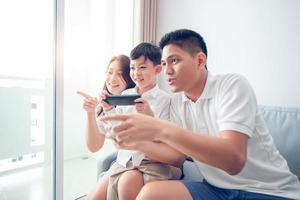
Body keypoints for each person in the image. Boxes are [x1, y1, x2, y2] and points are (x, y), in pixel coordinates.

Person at [102, 29, 300, 200]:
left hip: (269, 191)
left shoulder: (232, 85)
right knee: (150, 194)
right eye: (164, 63)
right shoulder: (177, 102)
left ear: (200, 60)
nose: (167, 71)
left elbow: (233, 161)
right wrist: (134, 143)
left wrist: (160, 128)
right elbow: (177, 158)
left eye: (175, 60)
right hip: (215, 189)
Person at [78, 54, 135, 200]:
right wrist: (90, 113)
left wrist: (109, 109)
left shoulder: (137, 102)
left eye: (120, 74)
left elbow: (128, 139)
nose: (112, 78)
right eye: (109, 72)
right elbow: (94, 146)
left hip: (139, 164)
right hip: (122, 162)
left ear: (130, 78)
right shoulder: (105, 105)